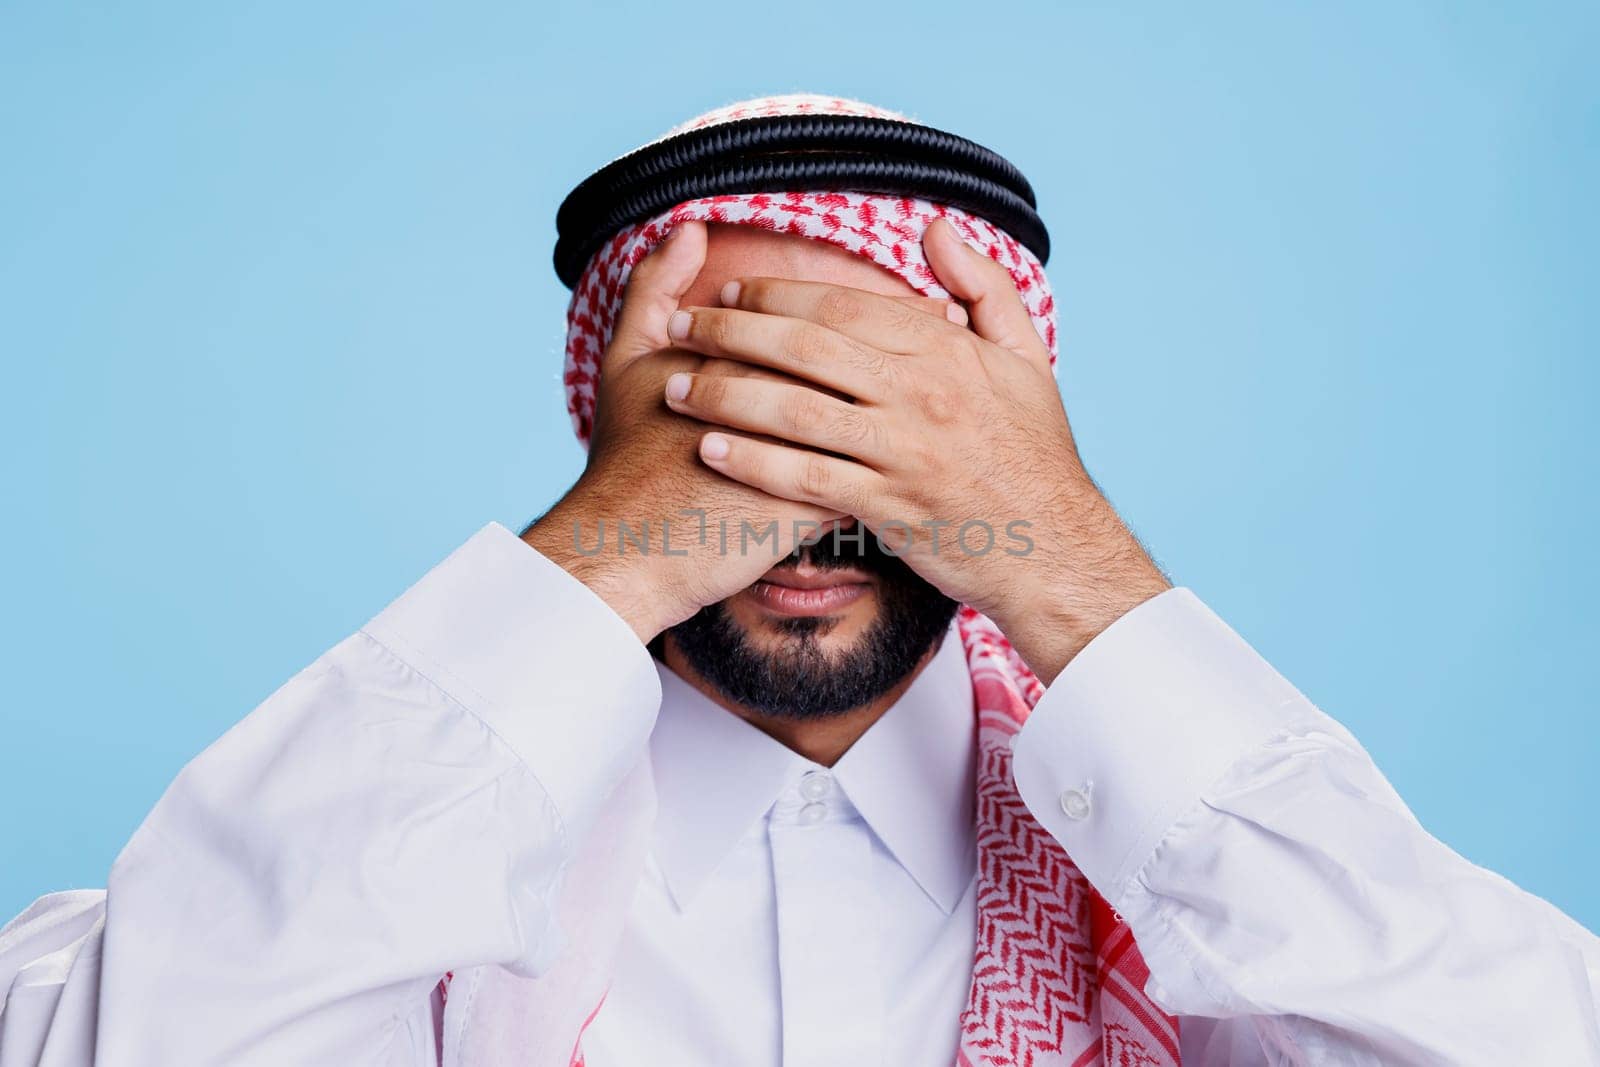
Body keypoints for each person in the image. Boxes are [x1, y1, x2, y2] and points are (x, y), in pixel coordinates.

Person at [2, 94, 1597, 1067]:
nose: (804, 491)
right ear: (609, 421)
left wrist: (1072, 568)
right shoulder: (360, 895)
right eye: (731, 402)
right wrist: (607, 556)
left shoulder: (1225, 938)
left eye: (891, 418)